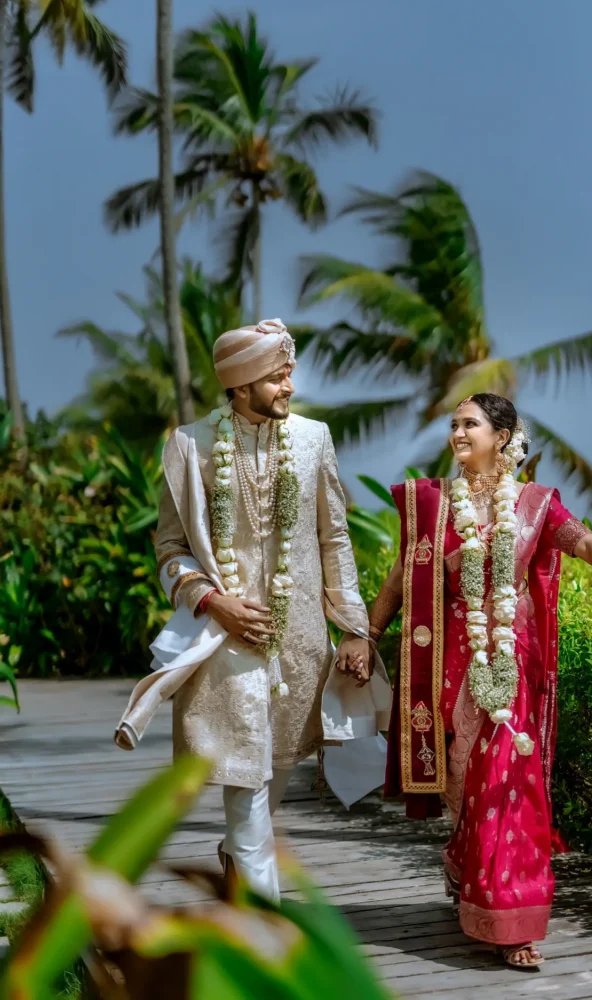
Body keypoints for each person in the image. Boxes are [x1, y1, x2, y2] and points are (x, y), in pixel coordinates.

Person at [115, 318, 389, 904]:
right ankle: (268, 928)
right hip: (224, 644)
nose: (289, 384)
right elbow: (170, 550)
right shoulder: (190, 445)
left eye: (289, 372)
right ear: (240, 386)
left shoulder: (314, 438)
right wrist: (213, 600)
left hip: (301, 644)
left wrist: (355, 630)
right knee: (244, 784)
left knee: (275, 774)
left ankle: (237, 860)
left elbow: (335, 538)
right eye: (277, 375)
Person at [367, 393, 592, 970]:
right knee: (465, 781)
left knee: (508, 784)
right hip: (451, 664)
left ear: (504, 435)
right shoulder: (434, 505)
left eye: (470, 424)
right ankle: (465, 862)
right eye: (454, 424)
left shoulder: (536, 504)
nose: (457, 433)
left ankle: (514, 921)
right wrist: (362, 636)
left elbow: (580, 539)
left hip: (513, 664)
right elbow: (399, 578)